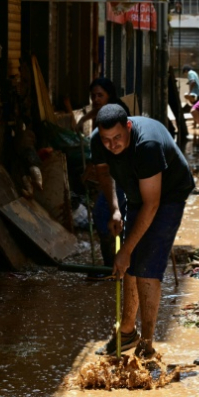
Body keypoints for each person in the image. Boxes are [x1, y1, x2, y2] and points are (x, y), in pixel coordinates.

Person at [91, 104, 195, 357]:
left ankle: (147, 345)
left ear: (128, 127)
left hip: (168, 194)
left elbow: (153, 204)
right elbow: (105, 174)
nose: (112, 145)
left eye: (117, 138)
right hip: (138, 191)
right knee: (130, 265)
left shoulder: (146, 146)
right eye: (106, 140)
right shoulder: (98, 141)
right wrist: (115, 209)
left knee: (146, 268)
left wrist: (125, 250)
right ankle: (126, 332)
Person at [77, 78, 129, 269]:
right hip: (111, 172)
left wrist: (93, 168)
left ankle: (114, 265)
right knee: (108, 215)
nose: (96, 99)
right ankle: (114, 265)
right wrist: (82, 119)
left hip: (123, 172)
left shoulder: (117, 114)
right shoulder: (102, 111)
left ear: (109, 95)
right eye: (93, 96)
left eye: (100, 95)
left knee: (104, 214)